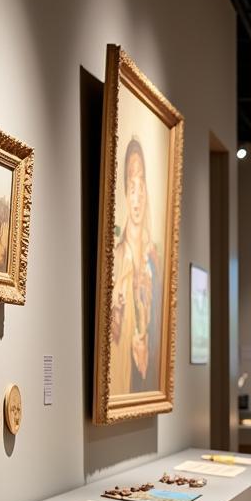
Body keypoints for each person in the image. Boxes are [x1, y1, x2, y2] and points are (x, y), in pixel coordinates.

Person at [110, 137, 162, 395]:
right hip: (121, 378)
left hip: (145, 379)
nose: (137, 197)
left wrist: (146, 339)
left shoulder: (153, 258)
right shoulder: (117, 258)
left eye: (141, 187)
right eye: (132, 187)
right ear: (124, 192)